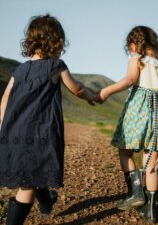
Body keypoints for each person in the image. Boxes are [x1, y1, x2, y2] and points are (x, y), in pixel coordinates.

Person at [0, 14, 97, 225]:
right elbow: (77, 88)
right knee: (27, 184)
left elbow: (6, 97)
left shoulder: (19, 69)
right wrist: (92, 95)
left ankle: (46, 202)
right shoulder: (56, 66)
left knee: (33, 169)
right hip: (39, 133)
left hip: (14, 133)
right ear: (57, 41)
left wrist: (3, 126)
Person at [98, 26, 158, 223]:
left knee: (125, 151)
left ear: (135, 45)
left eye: (130, 47)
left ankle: (136, 191)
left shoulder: (137, 60)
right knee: (151, 164)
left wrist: (106, 91)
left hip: (138, 113)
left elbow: (130, 79)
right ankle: (150, 211)